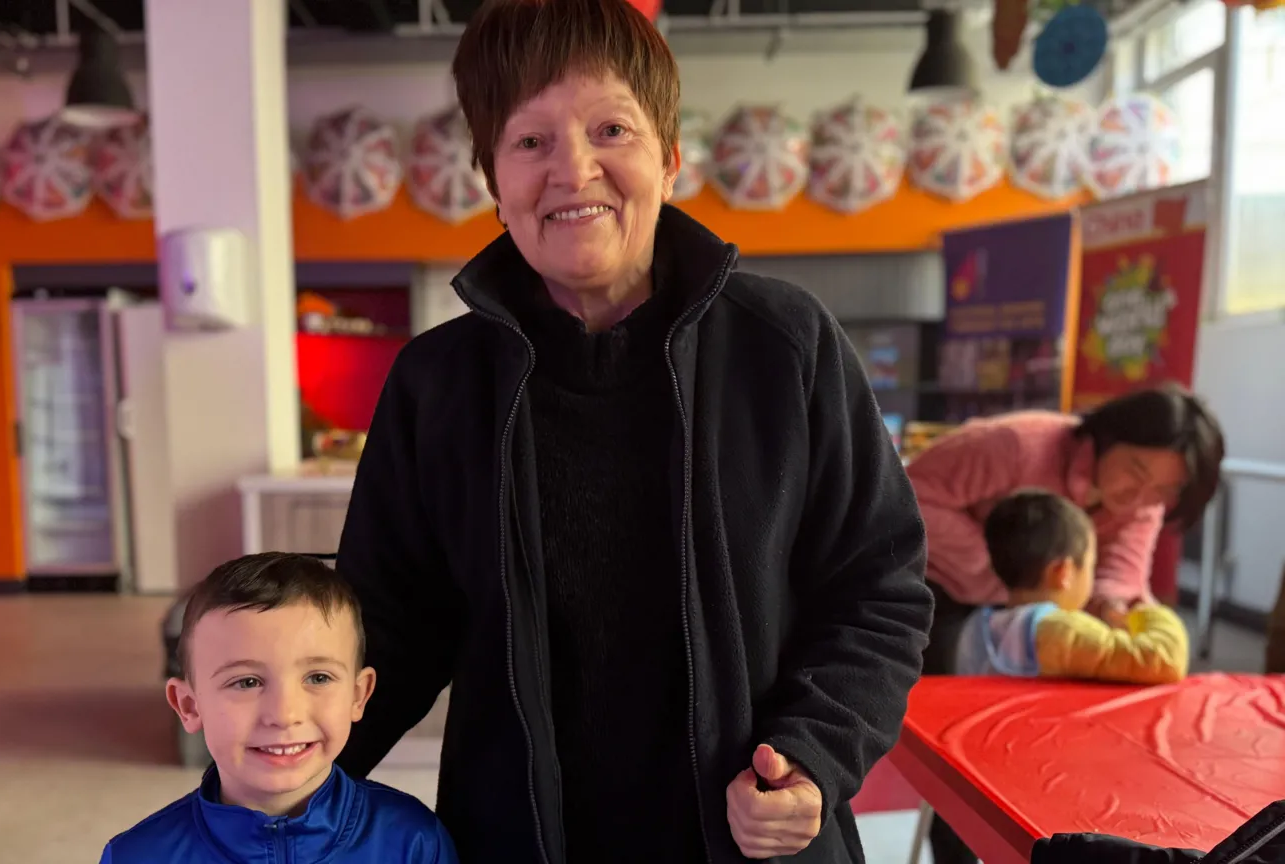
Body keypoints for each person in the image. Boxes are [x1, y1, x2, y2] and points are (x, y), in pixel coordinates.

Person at [331, 1, 933, 862]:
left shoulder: (785, 345)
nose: (574, 170)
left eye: (610, 128)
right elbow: (382, 627)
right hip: (520, 837)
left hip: (747, 839)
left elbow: (878, 588)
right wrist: (281, 789)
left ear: (670, 157)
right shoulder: (439, 383)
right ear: (492, 184)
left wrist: (813, 756)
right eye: (530, 141)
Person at [906, 386, 1222, 864]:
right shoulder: (1016, 446)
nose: (1138, 498)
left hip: (1036, 609)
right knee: (959, 746)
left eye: (1161, 492)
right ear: (1103, 438)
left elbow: (1120, 576)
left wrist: (1115, 612)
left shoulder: (1141, 503)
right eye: (1134, 472)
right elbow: (911, 497)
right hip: (947, 598)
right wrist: (1008, 577)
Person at [102, 553, 458, 863]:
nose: (285, 715)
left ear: (358, 695)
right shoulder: (135, 856)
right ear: (190, 706)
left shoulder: (414, 842)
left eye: (318, 678)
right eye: (247, 682)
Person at [955, 489, 1188, 684]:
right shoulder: (1060, 631)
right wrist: (1145, 612)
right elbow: (1161, 661)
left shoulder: (976, 627)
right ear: (1063, 573)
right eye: (1090, 565)